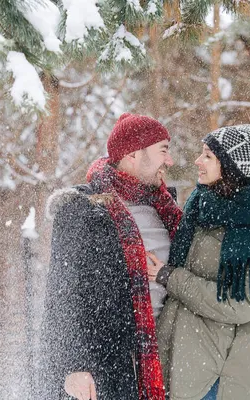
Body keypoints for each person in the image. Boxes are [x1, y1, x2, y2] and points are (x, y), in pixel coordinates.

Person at [37, 113, 183, 400]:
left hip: (167, 362)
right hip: (109, 367)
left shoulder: (167, 209)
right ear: (132, 155)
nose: (170, 161)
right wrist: (73, 366)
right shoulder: (83, 210)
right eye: (163, 150)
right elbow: (62, 293)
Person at [151, 113, 250, 400]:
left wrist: (170, 277)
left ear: (230, 166)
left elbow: (239, 306)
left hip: (220, 380)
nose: (198, 162)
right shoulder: (200, 213)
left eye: (208, 156)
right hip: (183, 369)